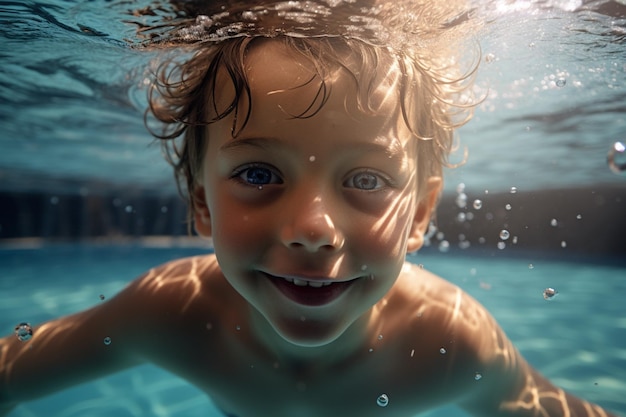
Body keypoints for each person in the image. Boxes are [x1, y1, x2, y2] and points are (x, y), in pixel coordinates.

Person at [0, 1, 619, 416]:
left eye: (368, 178)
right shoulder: (171, 314)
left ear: (421, 216)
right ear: (201, 204)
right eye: (259, 173)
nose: (313, 230)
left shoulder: (450, 344)